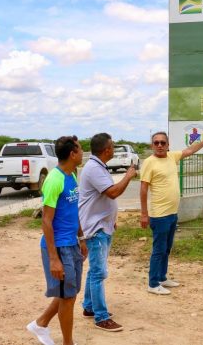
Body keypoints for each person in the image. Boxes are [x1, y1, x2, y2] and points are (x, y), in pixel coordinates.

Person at [140, 130, 203, 295]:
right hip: (159, 215)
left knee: (167, 248)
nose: (159, 145)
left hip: (172, 213)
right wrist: (144, 214)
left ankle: (162, 277)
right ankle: (153, 284)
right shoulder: (149, 162)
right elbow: (143, 189)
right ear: (152, 145)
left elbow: (190, 150)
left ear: (168, 145)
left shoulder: (171, 157)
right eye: (156, 143)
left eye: (163, 143)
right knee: (158, 250)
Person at [27, 136, 87, 345]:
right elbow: (46, 221)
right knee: (68, 297)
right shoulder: (55, 179)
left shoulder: (72, 176)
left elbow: (73, 212)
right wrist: (53, 258)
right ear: (72, 154)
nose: (82, 153)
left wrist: (81, 238)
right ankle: (67, 343)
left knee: (69, 293)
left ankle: (41, 323)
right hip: (59, 247)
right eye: (80, 149)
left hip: (71, 243)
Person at [78, 133, 136, 332]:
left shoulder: (98, 166)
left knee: (95, 270)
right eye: (112, 146)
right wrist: (128, 176)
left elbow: (104, 198)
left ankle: (89, 307)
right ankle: (100, 317)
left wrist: (111, 219)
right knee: (98, 272)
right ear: (106, 149)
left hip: (102, 225)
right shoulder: (94, 168)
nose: (114, 149)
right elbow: (112, 192)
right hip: (96, 229)